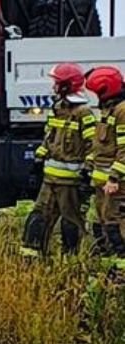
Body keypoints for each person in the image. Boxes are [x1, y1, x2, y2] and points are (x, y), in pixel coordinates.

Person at [20, 63, 96, 257]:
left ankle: (70, 262)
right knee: (38, 219)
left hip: (70, 182)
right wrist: (37, 164)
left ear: (66, 86)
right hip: (49, 180)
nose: (53, 87)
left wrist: (87, 173)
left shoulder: (83, 113)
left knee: (70, 224)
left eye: (56, 83)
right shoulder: (57, 108)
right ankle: (32, 260)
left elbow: (92, 145)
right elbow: (49, 139)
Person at [85, 66, 125, 266]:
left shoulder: (122, 111)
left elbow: (124, 149)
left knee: (114, 225)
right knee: (100, 224)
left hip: (114, 185)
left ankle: (120, 269)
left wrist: (114, 178)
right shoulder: (108, 109)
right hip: (101, 184)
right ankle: (108, 265)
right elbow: (101, 144)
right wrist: (89, 162)